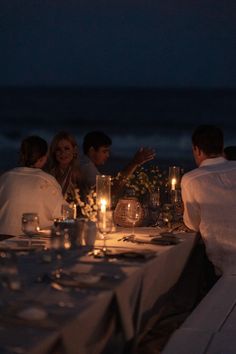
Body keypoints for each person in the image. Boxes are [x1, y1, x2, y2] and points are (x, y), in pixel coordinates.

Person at [181, 124, 236, 276]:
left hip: (226, 265)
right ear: (222, 146)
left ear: (197, 150)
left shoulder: (191, 179)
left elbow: (193, 224)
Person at [0, 136, 65, 236]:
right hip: (34, 243)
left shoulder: (5, 177)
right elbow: (63, 215)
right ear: (42, 158)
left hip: (2, 240)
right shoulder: (47, 181)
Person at [80, 130, 156, 196]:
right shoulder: (86, 166)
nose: (107, 155)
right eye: (104, 151)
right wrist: (134, 163)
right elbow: (108, 191)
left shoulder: (84, 162)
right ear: (92, 150)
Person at [46, 131, 81, 202]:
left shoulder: (80, 174)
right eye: (58, 149)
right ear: (54, 152)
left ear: (74, 150)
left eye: (66, 148)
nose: (63, 153)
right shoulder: (49, 175)